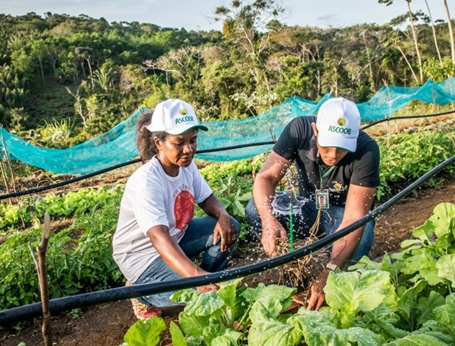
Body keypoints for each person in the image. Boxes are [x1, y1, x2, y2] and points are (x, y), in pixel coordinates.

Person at [245, 97, 380, 311]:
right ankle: (292, 269)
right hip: (308, 207)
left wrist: (330, 273)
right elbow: (265, 179)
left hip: (341, 216)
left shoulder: (367, 150)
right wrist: (269, 220)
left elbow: (354, 217)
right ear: (316, 130)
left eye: (342, 148)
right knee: (256, 208)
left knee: (361, 236)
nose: (333, 155)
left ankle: (338, 267)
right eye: (327, 146)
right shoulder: (298, 129)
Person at [112, 98, 240, 319]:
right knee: (194, 299)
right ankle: (140, 292)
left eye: (193, 140)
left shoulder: (186, 167)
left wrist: (223, 214)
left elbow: (207, 198)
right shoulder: (147, 181)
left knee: (230, 228)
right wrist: (195, 276)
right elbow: (159, 237)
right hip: (143, 257)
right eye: (179, 142)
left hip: (176, 240)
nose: (188, 149)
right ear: (159, 142)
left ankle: (206, 280)